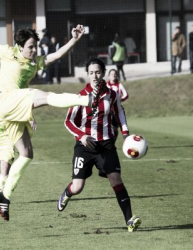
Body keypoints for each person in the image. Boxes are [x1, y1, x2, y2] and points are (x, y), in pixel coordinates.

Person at [0, 25, 101, 221]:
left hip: (12, 112)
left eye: (36, 47)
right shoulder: (7, 52)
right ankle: (86, 100)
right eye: (31, 47)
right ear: (20, 46)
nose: (34, 51)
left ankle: (4, 196)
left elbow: (56, 55)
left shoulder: (34, 62)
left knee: (26, 153)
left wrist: (74, 40)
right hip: (4, 102)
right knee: (47, 95)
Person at [57, 58, 141, 232]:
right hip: (85, 147)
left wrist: (126, 135)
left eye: (97, 72)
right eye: (91, 73)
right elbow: (68, 121)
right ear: (87, 74)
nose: (94, 76)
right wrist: (81, 136)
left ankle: (130, 220)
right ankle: (67, 192)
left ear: (103, 73)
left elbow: (120, 114)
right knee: (78, 187)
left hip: (106, 145)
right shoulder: (80, 96)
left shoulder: (112, 94)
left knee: (116, 179)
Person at [106, 68, 129, 142]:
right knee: (109, 127)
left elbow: (125, 95)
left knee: (120, 127)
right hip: (108, 110)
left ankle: (124, 143)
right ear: (109, 76)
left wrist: (119, 100)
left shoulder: (119, 85)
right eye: (112, 74)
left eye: (115, 74)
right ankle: (110, 142)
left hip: (117, 109)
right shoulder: (105, 85)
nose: (113, 75)